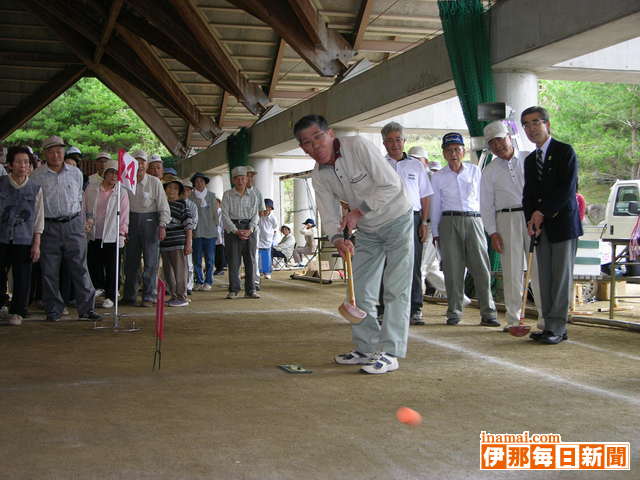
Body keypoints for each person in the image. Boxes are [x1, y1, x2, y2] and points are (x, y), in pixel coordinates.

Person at [295, 114, 413, 375]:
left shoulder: (358, 146)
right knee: (360, 291)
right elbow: (327, 214)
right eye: (306, 143)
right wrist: (337, 238)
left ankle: (391, 352)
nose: (314, 147)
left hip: (397, 219)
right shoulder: (318, 176)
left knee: (395, 289)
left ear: (331, 134)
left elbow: (391, 185)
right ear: (302, 148)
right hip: (368, 230)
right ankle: (366, 348)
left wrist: (358, 212)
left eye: (318, 138)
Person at [522, 106, 582, 344]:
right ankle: (550, 325)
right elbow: (528, 194)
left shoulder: (564, 151)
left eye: (536, 122)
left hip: (562, 226)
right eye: (526, 124)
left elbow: (567, 189)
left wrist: (542, 212)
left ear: (547, 124)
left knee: (560, 278)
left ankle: (557, 326)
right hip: (540, 227)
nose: (531, 128)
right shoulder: (529, 160)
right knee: (545, 278)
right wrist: (531, 217)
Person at [480, 120, 544, 332]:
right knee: (511, 271)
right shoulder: (489, 170)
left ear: (510, 137)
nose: (497, 145)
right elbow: (486, 204)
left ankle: (545, 319)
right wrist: (492, 232)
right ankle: (514, 319)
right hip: (505, 220)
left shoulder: (529, 158)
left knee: (538, 270)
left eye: (500, 139)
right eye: (492, 143)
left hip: (532, 217)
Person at [430, 132, 498, 327]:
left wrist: (489, 226)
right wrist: (435, 233)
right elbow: (435, 207)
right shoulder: (438, 177)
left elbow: (484, 200)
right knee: (453, 270)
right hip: (449, 222)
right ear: (444, 153)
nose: (454, 154)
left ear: (464, 151)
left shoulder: (475, 171)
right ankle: (454, 312)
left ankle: (489, 312)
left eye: (457, 149)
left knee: (481, 268)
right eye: (449, 150)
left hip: (474, 220)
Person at [30, 136, 100, 322]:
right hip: (48, 226)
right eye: (51, 151)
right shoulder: (36, 176)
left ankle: (86, 308)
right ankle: (54, 309)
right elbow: (35, 205)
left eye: (59, 151)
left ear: (64, 152)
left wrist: (85, 222)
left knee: (80, 267)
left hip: (74, 224)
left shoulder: (76, 173)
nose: (56, 155)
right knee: (49, 270)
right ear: (45, 154)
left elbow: (80, 199)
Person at [381, 122, 433, 325]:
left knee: (413, 265)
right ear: (384, 143)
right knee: (388, 265)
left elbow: (426, 196)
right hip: (387, 221)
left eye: (398, 140)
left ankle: (415, 309)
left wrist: (425, 222)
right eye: (390, 141)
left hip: (413, 218)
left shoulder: (416, 165)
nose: (395, 144)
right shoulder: (379, 164)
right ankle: (385, 309)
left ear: (404, 141)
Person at [0, 146, 43, 325]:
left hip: (24, 238)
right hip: (2, 237)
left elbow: (39, 218)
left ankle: (18, 311)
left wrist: (36, 243)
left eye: (26, 162)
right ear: (10, 164)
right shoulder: (1, 182)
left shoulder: (35, 188)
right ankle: (1, 306)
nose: (22, 165)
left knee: (22, 276)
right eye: (18, 162)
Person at [122, 150, 170, 307]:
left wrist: (162, 225)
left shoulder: (155, 182)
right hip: (130, 222)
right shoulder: (125, 181)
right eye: (137, 161)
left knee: (151, 262)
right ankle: (129, 295)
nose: (140, 165)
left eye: (142, 162)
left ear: (147, 165)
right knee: (130, 262)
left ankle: (149, 296)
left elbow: (163, 206)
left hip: (151, 222)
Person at [84, 159, 129, 309]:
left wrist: (122, 233)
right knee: (94, 263)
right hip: (94, 232)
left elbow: (124, 215)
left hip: (112, 234)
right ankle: (97, 289)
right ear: (105, 174)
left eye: (117, 173)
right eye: (111, 173)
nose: (114, 176)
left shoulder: (121, 192)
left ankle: (111, 294)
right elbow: (85, 207)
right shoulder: (91, 189)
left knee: (112, 266)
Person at [221, 166, 261, 299]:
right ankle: (233, 289)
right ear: (233, 180)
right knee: (233, 261)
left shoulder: (253, 194)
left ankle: (251, 290)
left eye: (243, 178)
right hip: (233, 230)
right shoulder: (227, 194)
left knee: (250, 260)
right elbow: (225, 216)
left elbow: (256, 215)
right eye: (237, 178)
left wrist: (250, 229)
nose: (240, 181)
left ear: (247, 179)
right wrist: (235, 230)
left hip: (250, 229)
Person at [160, 177, 193, 307]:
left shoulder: (183, 204)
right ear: (165, 189)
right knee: (168, 272)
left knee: (180, 271)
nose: (172, 190)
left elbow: (189, 226)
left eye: (175, 188)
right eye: (169, 187)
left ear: (179, 191)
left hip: (178, 243)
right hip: (164, 244)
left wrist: (188, 243)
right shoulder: (161, 205)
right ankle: (173, 296)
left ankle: (182, 296)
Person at [190, 172, 219, 291]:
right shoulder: (190, 197)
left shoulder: (212, 196)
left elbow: (215, 214)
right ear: (194, 184)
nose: (199, 183)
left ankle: (208, 281)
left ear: (205, 182)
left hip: (210, 232)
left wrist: (216, 228)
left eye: (202, 181)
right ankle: (199, 281)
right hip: (196, 232)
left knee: (210, 259)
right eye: (197, 181)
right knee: (196, 258)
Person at [181, 178, 198, 295]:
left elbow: (194, 222)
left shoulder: (193, 205)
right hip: (174, 236)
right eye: (183, 189)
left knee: (189, 263)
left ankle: (189, 285)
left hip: (188, 235)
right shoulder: (173, 202)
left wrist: (187, 230)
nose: (185, 192)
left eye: (188, 190)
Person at [258, 198, 278, 279]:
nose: (267, 209)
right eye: (265, 207)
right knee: (258, 256)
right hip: (259, 239)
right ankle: (259, 271)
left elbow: (275, 228)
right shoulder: (259, 216)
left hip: (268, 240)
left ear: (271, 209)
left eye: (269, 207)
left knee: (267, 257)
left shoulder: (273, 218)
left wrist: (273, 239)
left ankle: (267, 272)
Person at [214, 198, 226, 275]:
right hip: (213, 235)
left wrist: (222, 236)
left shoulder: (221, 213)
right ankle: (217, 267)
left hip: (220, 236)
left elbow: (222, 225)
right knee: (215, 253)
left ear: (219, 204)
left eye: (216, 203)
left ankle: (220, 268)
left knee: (220, 252)